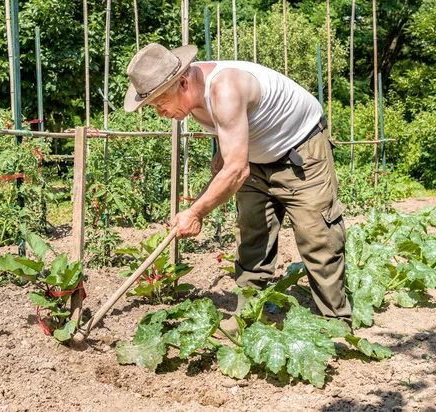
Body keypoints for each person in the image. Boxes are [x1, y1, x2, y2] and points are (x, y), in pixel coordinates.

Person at [123, 43, 352, 333]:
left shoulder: (225, 88)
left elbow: (236, 168)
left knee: (317, 236)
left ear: (182, 82)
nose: (160, 112)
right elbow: (234, 136)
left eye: (159, 102)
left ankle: (337, 325)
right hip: (255, 158)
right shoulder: (191, 96)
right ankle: (251, 314)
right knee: (252, 234)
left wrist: (195, 212)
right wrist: (224, 153)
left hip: (300, 150)